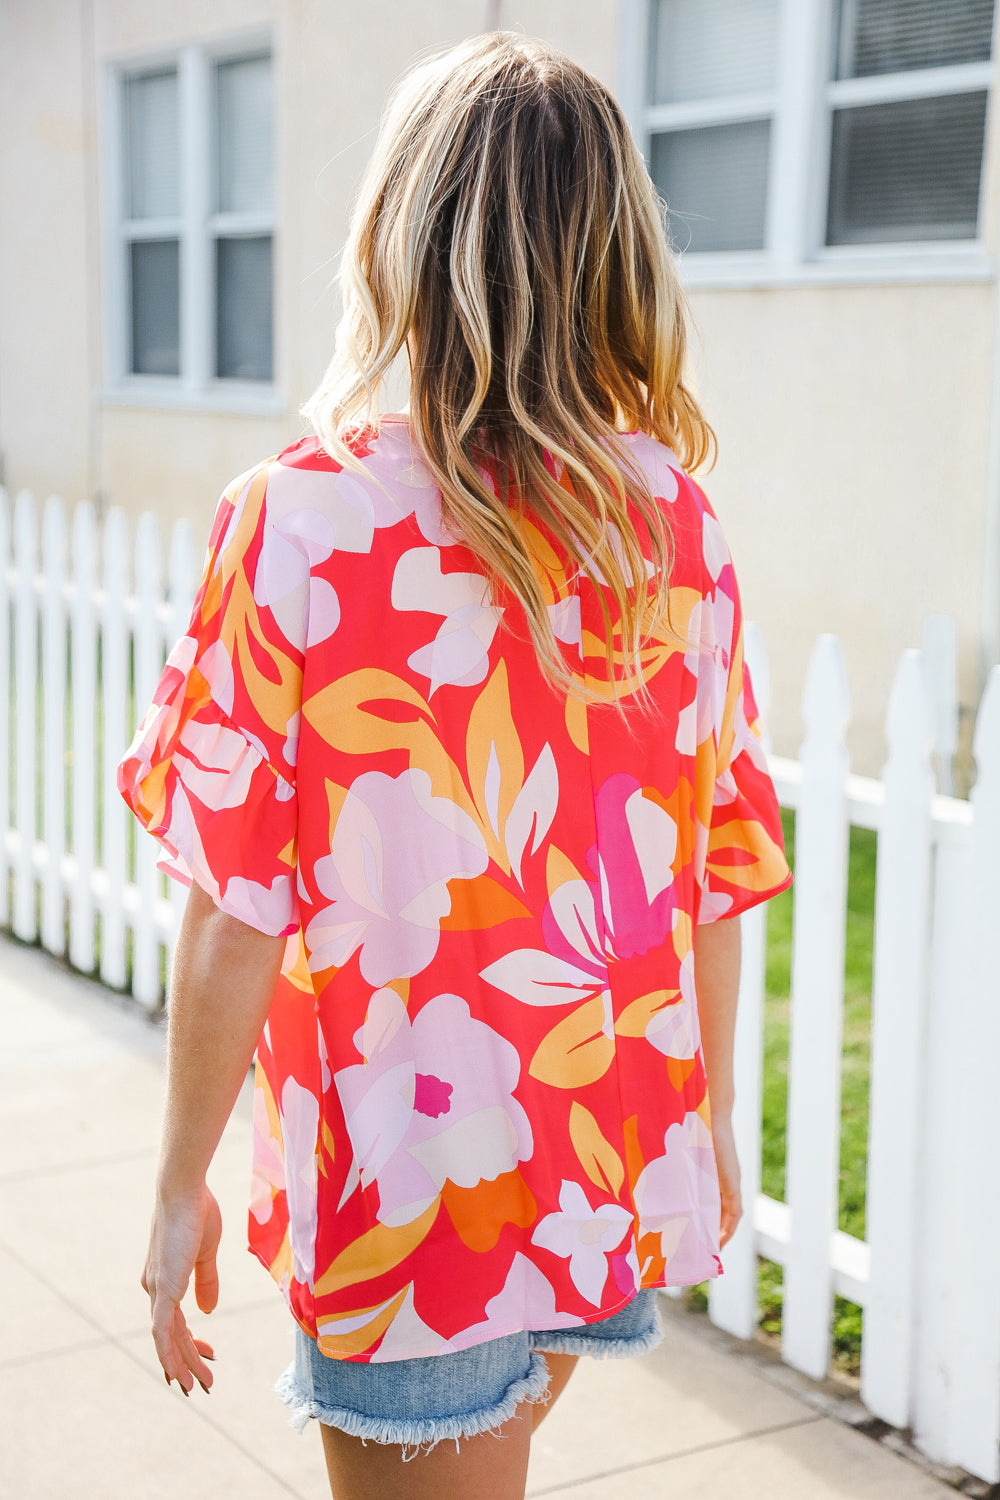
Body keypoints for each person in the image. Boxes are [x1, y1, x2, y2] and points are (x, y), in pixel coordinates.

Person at [119, 30, 791, 1500]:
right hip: (598, 1149)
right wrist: (707, 1124)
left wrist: (178, 1186)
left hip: (415, 1188)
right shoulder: (673, 525)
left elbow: (233, 905)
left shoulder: (301, 522)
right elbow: (718, 868)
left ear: (400, 236)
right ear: (614, 251)